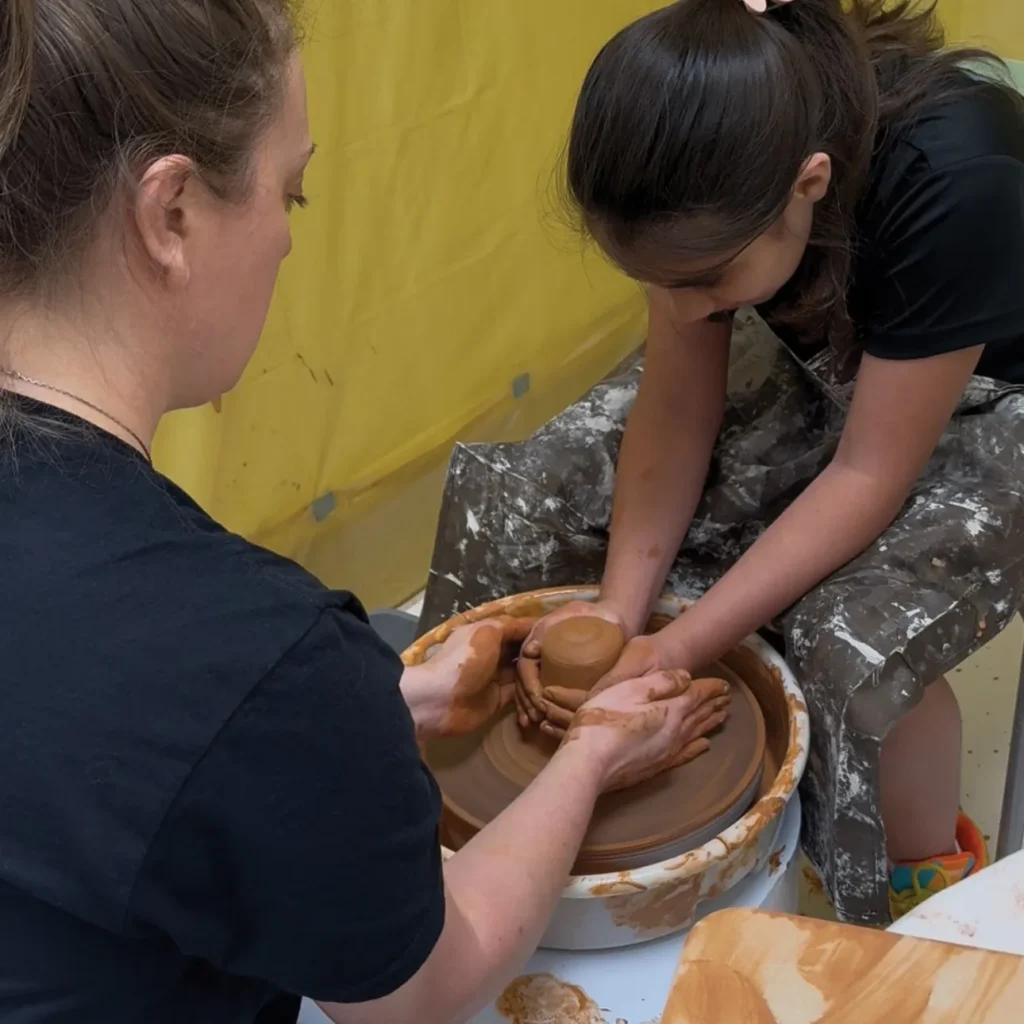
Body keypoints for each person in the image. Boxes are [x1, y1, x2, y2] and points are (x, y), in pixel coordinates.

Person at [0, 2, 732, 1022]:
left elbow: (98, 756)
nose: (287, 242)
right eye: (289, 194)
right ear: (169, 215)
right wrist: (592, 751)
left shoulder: (227, 669)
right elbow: (423, 985)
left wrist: (387, 705)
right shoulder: (257, 654)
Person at [519, 0, 1024, 919]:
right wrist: (615, 616)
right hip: (857, 346)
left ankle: (915, 910)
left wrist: (677, 645)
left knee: (847, 640)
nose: (680, 307)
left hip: (1002, 384)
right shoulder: (722, 177)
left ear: (811, 182)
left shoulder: (956, 177)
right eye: (657, 283)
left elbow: (868, 475)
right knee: (538, 495)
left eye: (703, 281)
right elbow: (677, 407)